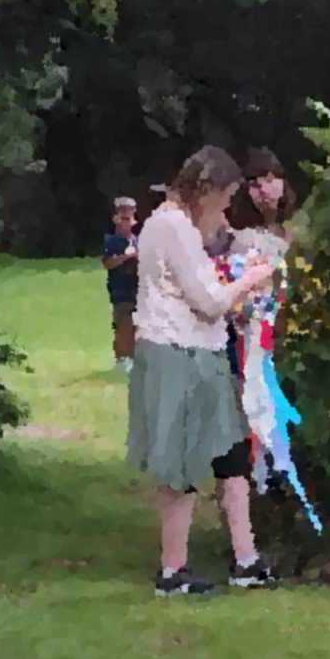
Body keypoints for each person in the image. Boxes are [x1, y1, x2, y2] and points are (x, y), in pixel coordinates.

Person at [127, 146, 279, 596]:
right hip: (180, 354)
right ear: (207, 189)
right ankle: (172, 572)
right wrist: (250, 280)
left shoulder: (170, 224)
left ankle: (245, 560)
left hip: (198, 354)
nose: (227, 208)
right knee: (181, 465)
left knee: (231, 454)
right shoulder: (173, 226)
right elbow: (210, 302)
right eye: (225, 198)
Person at [101, 197, 139, 372]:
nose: (127, 223)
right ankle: (121, 358)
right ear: (116, 218)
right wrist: (126, 257)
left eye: (130, 219)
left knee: (135, 324)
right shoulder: (111, 241)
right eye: (123, 219)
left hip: (136, 288)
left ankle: (132, 356)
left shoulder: (136, 240)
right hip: (119, 288)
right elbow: (108, 263)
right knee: (122, 323)